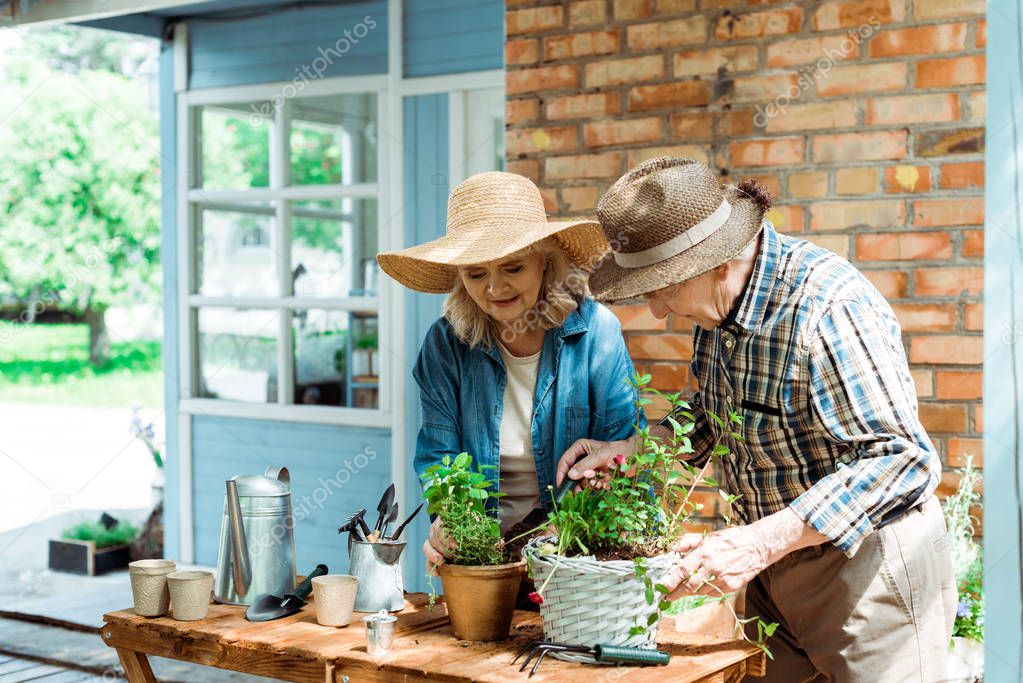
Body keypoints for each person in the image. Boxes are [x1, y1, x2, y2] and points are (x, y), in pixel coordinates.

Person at [557, 157, 956, 682]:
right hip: (773, 566)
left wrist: (761, 540)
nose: (657, 311)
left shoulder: (829, 308)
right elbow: (719, 413)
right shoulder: (717, 306)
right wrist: (640, 448)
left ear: (718, 261)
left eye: (662, 287)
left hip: (869, 574)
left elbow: (902, 459)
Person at [376, 171, 641, 573]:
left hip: (581, 557)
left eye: (513, 268)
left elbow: (622, 451)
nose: (495, 289)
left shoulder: (596, 333)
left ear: (545, 261)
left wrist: (556, 535)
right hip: (485, 564)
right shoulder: (445, 345)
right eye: (476, 274)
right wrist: (448, 525)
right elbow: (438, 458)